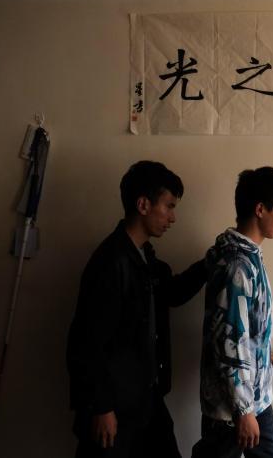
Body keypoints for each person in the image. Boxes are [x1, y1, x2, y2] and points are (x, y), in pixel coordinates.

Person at [67, 160, 206, 458]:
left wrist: (211, 262)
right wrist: (102, 407)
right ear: (143, 205)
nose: (173, 217)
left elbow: (172, 292)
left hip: (145, 397)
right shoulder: (111, 262)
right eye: (168, 206)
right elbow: (87, 342)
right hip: (115, 403)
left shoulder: (145, 258)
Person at [192, 167, 273, 458]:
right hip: (234, 409)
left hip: (253, 398)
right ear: (260, 209)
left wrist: (266, 354)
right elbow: (229, 342)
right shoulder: (238, 266)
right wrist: (244, 411)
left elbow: (243, 328)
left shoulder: (248, 257)